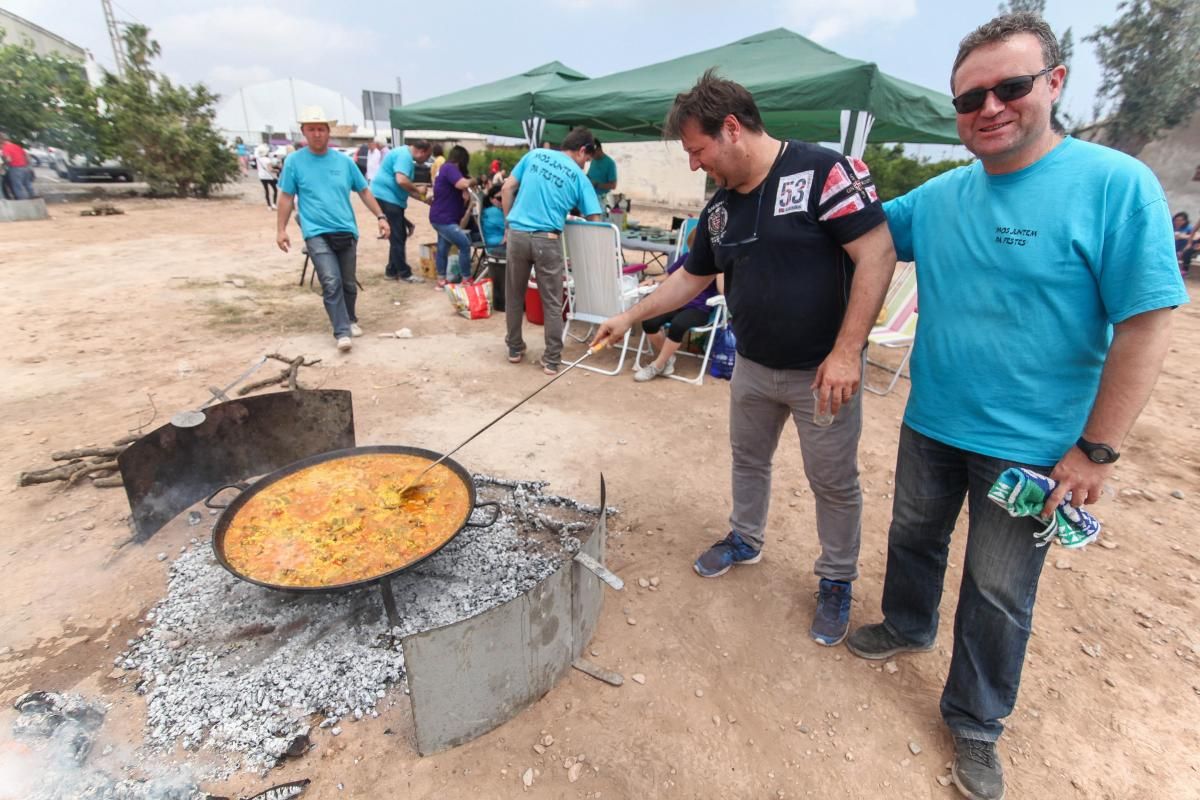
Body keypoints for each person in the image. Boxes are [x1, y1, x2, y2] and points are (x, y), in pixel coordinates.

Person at [842, 15, 1189, 800]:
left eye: (1011, 87)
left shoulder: (1114, 185)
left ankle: (974, 720)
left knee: (1000, 589)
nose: (989, 107)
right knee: (913, 535)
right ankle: (906, 624)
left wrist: (1095, 451)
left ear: (1055, 84)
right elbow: (859, 237)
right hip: (932, 420)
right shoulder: (940, 197)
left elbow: (1145, 326)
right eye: (970, 98)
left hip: (1033, 449)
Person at [590, 71, 897, 646]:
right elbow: (690, 279)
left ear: (731, 129)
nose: (693, 165)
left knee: (832, 481)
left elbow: (878, 254)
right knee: (747, 460)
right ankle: (745, 538)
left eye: (697, 150)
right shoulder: (721, 209)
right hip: (753, 366)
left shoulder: (825, 173)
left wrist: (848, 351)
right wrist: (629, 316)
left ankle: (835, 578)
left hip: (821, 373)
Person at [276, 106, 391, 353]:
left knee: (348, 282)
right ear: (303, 132)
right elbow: (286, 197)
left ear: (328, 132)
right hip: (316, 231)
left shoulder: (344, 162)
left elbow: (363, 190)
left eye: (321, 129)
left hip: (346, 230)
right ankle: (341, 331)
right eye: (311, 129)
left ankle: (350, 318)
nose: (317, 134)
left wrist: (380, 216)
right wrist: (281, 229)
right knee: (331, 280)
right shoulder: (294, 162)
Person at [502, 127, 604, 374]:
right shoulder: (580, 178)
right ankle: (551, 360)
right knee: (551, 302)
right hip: (547, 240)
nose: (586, 165)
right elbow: (596, 219)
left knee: (515, 296)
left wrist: (509, 224)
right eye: (587, 160)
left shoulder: (535, 155)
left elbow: (507, 188)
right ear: (582, 151)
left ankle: (515, 349)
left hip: (517, 236)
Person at [631, 229, 721, 382]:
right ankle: (668, 358)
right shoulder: (687, 258)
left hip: (700, 308)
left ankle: (657, 365)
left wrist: (720, 269)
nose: (694, 254)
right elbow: (669, 275)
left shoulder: (718, 265)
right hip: (677, 301)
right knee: (649, 321)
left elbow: (723, 291)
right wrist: (653, 280)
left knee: (678, 325)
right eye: (693, 250)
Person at [370, 138, 432, 283]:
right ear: (421, 152)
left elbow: (404, 188)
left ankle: (391, 270)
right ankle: (404, 274)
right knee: (398, 236)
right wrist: (419, 189)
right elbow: (402, 181)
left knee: (398, 234)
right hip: (387, 197)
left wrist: (423, 199)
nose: (426, 159)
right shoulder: (404, 156)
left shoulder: (402, 154)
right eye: (427, 156)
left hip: (388, 197)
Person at [428, 145, 476, 286]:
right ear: (461, 159)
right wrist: (474, 181)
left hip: (442, 216)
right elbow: (462, 184)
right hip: (444, 218)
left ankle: (441, 280)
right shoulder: (449, 168)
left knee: (443, 248)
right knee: (464, 244)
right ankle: (467, 278)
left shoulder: (444, 169)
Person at [0, 132, 36, 200]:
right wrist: (28, 166)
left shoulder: (5, 148)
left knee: (17, 187)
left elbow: (8, 159)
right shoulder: (16, 146)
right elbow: (27, 156)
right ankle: (33, 197)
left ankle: (22, 202)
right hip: (25, 168)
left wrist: (3, 165)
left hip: (15, 169)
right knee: (28, 185)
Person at [586, 138, 618, 206]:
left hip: (602, 200)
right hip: (591, 196)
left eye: (592, 154)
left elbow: (613, 185)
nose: (591, 157)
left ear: (598, 149)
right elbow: (589, 175)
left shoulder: (610, 163)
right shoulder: (594, 161)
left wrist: (597, 184)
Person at [255, 143, 278, 209]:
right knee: (275, 190)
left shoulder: (258, 159)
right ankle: (274, 203)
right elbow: (270, 169)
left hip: (261, 176)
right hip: (269, 176)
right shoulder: (267, 160)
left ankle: (269, 205)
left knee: (266, 190)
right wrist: (276, 171)